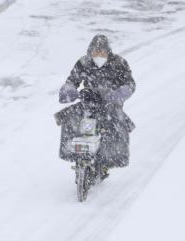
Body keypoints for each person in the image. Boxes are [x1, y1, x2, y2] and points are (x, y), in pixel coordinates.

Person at [56, 34, 135, 178]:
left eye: (102, 52)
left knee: (115, 127)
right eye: (95, 52)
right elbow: (72, 80)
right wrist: (69, 90)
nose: (99, 55)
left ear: (108, 51)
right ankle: (72, 151)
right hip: (88, 102)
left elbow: (130, 83)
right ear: (90, 52)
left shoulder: (119, 63)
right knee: (70, 119)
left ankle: (109, 159)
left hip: (110, 104)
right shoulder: (83, 63)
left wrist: (120, 93)